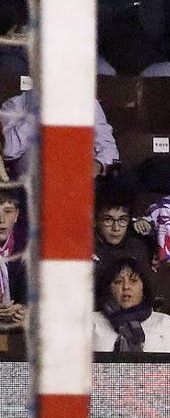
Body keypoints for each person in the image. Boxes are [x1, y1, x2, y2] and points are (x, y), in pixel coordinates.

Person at [0, 88, 118, 178]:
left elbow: (110, 150)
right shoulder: (17, 104)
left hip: (75, 185)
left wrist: (98, 165)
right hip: (33, 187)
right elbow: (6, 151)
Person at [92, 257, 170, 353]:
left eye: (133, 281)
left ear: (144, 287)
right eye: (118, 281)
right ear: (108, 288)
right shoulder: (92, 321)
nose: (126, 287)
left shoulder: (164, 322)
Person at [93, 191, 153, 294]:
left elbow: (147, 288)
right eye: (108, 220)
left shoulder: (137, 248)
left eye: (122, 220)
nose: (116, 228)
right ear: (95, 221)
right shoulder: (82, 249)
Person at [0, 185, 24, 329]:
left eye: (8, 211)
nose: (1, 219)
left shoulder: (28, 251)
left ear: (16, 215)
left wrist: (25, 310)